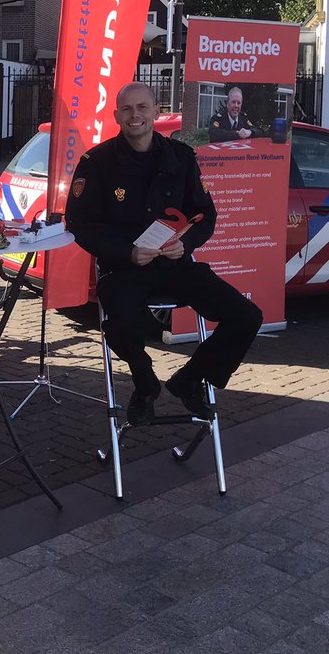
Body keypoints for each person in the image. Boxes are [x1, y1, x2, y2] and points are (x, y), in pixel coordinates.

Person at [65, 81, 262, 424]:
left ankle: (190, 380)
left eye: (142, 107)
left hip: (175, 265)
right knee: (120, 327)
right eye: (126, 109)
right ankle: (145, 384)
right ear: (116, 116)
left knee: (247, 316)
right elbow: (81, 225)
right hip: (124, 268)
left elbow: (205, 215)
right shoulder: (96, 162)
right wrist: (127, 252)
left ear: (156, 112)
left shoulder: (181, 157)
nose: (135, 115)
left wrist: (185, 244)